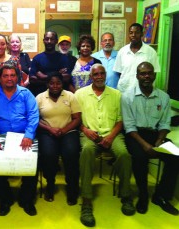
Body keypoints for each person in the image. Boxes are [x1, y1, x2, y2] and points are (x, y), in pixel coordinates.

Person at [74, 64, 135, 227]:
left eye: (102, 73)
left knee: (124, 154)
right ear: (91, 77)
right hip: (89, 135)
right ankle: (86, 200)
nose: (99, 76)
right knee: (86, 151)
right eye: (96, 74)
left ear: (105, 75)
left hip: (112, 134)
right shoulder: (80, 94)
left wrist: (111, 136)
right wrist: (85, 130)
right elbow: (75, 119)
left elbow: (121, 121)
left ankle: (126, 195)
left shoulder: (116, 94)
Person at [122, 62, 179, 215]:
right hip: (135, 136)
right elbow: (129, 126)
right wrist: (146, 145)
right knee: (139, 158)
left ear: (154, 75)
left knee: (175, 157)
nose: (146, 76)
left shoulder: (164, 97)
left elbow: (165, 123)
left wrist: (159, 140)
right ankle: (143, 194)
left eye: (149, 73)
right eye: (142, 73)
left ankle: (161, 195)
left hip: (156, 135)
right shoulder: (127, 96)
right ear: (137, 76)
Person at [0, 65, 39, 216]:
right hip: (0, 137)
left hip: (24, 137)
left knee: (33, 165)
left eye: (12, 75)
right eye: (5, 76)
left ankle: (26, 199)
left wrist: (28, 135)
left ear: (17, 77)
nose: (9, 78)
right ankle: (5, 199)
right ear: (0, 78)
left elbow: (33, 115)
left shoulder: (26, 94)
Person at [36, 72, 80, 205]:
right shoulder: (40, 97)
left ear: (62, 84)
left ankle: (72, 187)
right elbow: (34, 119)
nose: (55, 86)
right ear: (47, 84)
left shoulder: (70, 96)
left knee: (71, 153)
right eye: (52, 83)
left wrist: (63, 130)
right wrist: (50, 129)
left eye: (58, 83)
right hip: (47, 131)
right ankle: (50, 184)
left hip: (68, 131)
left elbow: (77, 118)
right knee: (49, 154)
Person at [113, 23, 160, 93]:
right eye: (131, 33)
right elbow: (119, 73)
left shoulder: (151, 52)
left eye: (137, 33)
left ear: (142, 34)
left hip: (143, 92)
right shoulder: (122, 51)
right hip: (124, 91)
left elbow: (154, 73)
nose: (133, 35)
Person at [29, 31, 71, 96]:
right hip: (40, 96)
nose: (49, 41)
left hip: (60, 96)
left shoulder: (63, 58)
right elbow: (32, 80)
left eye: (52, 39)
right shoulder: (37, 59)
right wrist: (58, 74)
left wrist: (44, 77)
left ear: (56, 41)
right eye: (47, 39)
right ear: (43, 41)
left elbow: (67, 78)